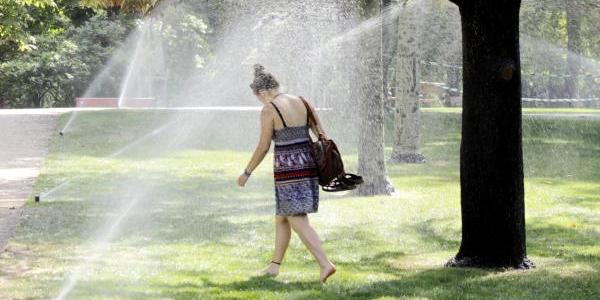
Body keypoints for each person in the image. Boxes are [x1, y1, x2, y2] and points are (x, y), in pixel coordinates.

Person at [237, 64, 336, 283]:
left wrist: (247, 172)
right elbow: (321, 133)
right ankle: (274, 266)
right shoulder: (302, 101)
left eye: (258, 97)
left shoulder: (269, 109)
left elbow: (263, 146)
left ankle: (325, 264)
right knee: (282, 216)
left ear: (262, 92)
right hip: (308, 165)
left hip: (288, 169)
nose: (260, 101)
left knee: (296, 217)